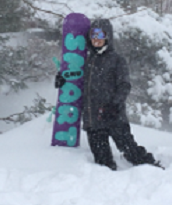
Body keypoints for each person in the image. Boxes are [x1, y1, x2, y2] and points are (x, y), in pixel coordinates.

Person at [55, 17, 163, 171]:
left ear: (108, 36)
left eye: (100, 35)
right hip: (93, 120)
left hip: (113, 116)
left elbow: (124, 85)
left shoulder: (117, 60)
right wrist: (63, 80)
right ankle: (108, 187)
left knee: (129, 149)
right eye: (93, 35)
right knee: (102, 161)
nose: (96, 39)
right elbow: (76, 80)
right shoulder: (87, 61)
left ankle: (152, 169)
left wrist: (114, 105)